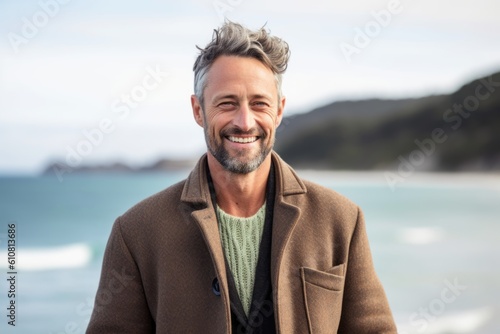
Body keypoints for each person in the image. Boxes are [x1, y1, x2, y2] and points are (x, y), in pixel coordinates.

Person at [86, 21, 397, 333]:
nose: (245, 122)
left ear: (279, 110)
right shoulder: (136, 233)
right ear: (198, 110)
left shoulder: (341, 220)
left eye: (259, 103)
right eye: (227, 103)